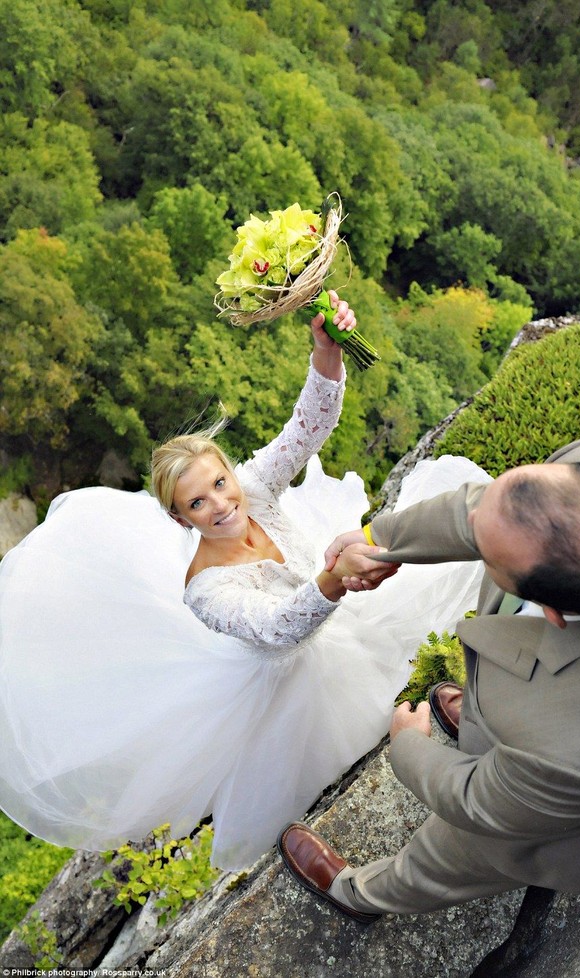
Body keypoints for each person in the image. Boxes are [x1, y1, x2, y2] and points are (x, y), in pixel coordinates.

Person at [0, 292, 490, 872]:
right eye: (197, 502)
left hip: (335, 608)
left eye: (220, 482)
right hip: (299, 676)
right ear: (180, 518)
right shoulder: (204, 589)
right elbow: (280, 630)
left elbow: (306, 430)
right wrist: (335, 580)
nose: (221, 504)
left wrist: (326, 352)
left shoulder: (253, 489)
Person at [278, 432, 580, 922]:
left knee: (457, 853)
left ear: (553, 612)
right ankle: (492, 735)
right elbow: (484, 508)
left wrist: (409, 747)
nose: (471, 527)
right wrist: (380, 539)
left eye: (487, 555)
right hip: (547, 739)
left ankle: (359, 896)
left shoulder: (577, 755)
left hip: (562, 809)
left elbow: (473, 801)